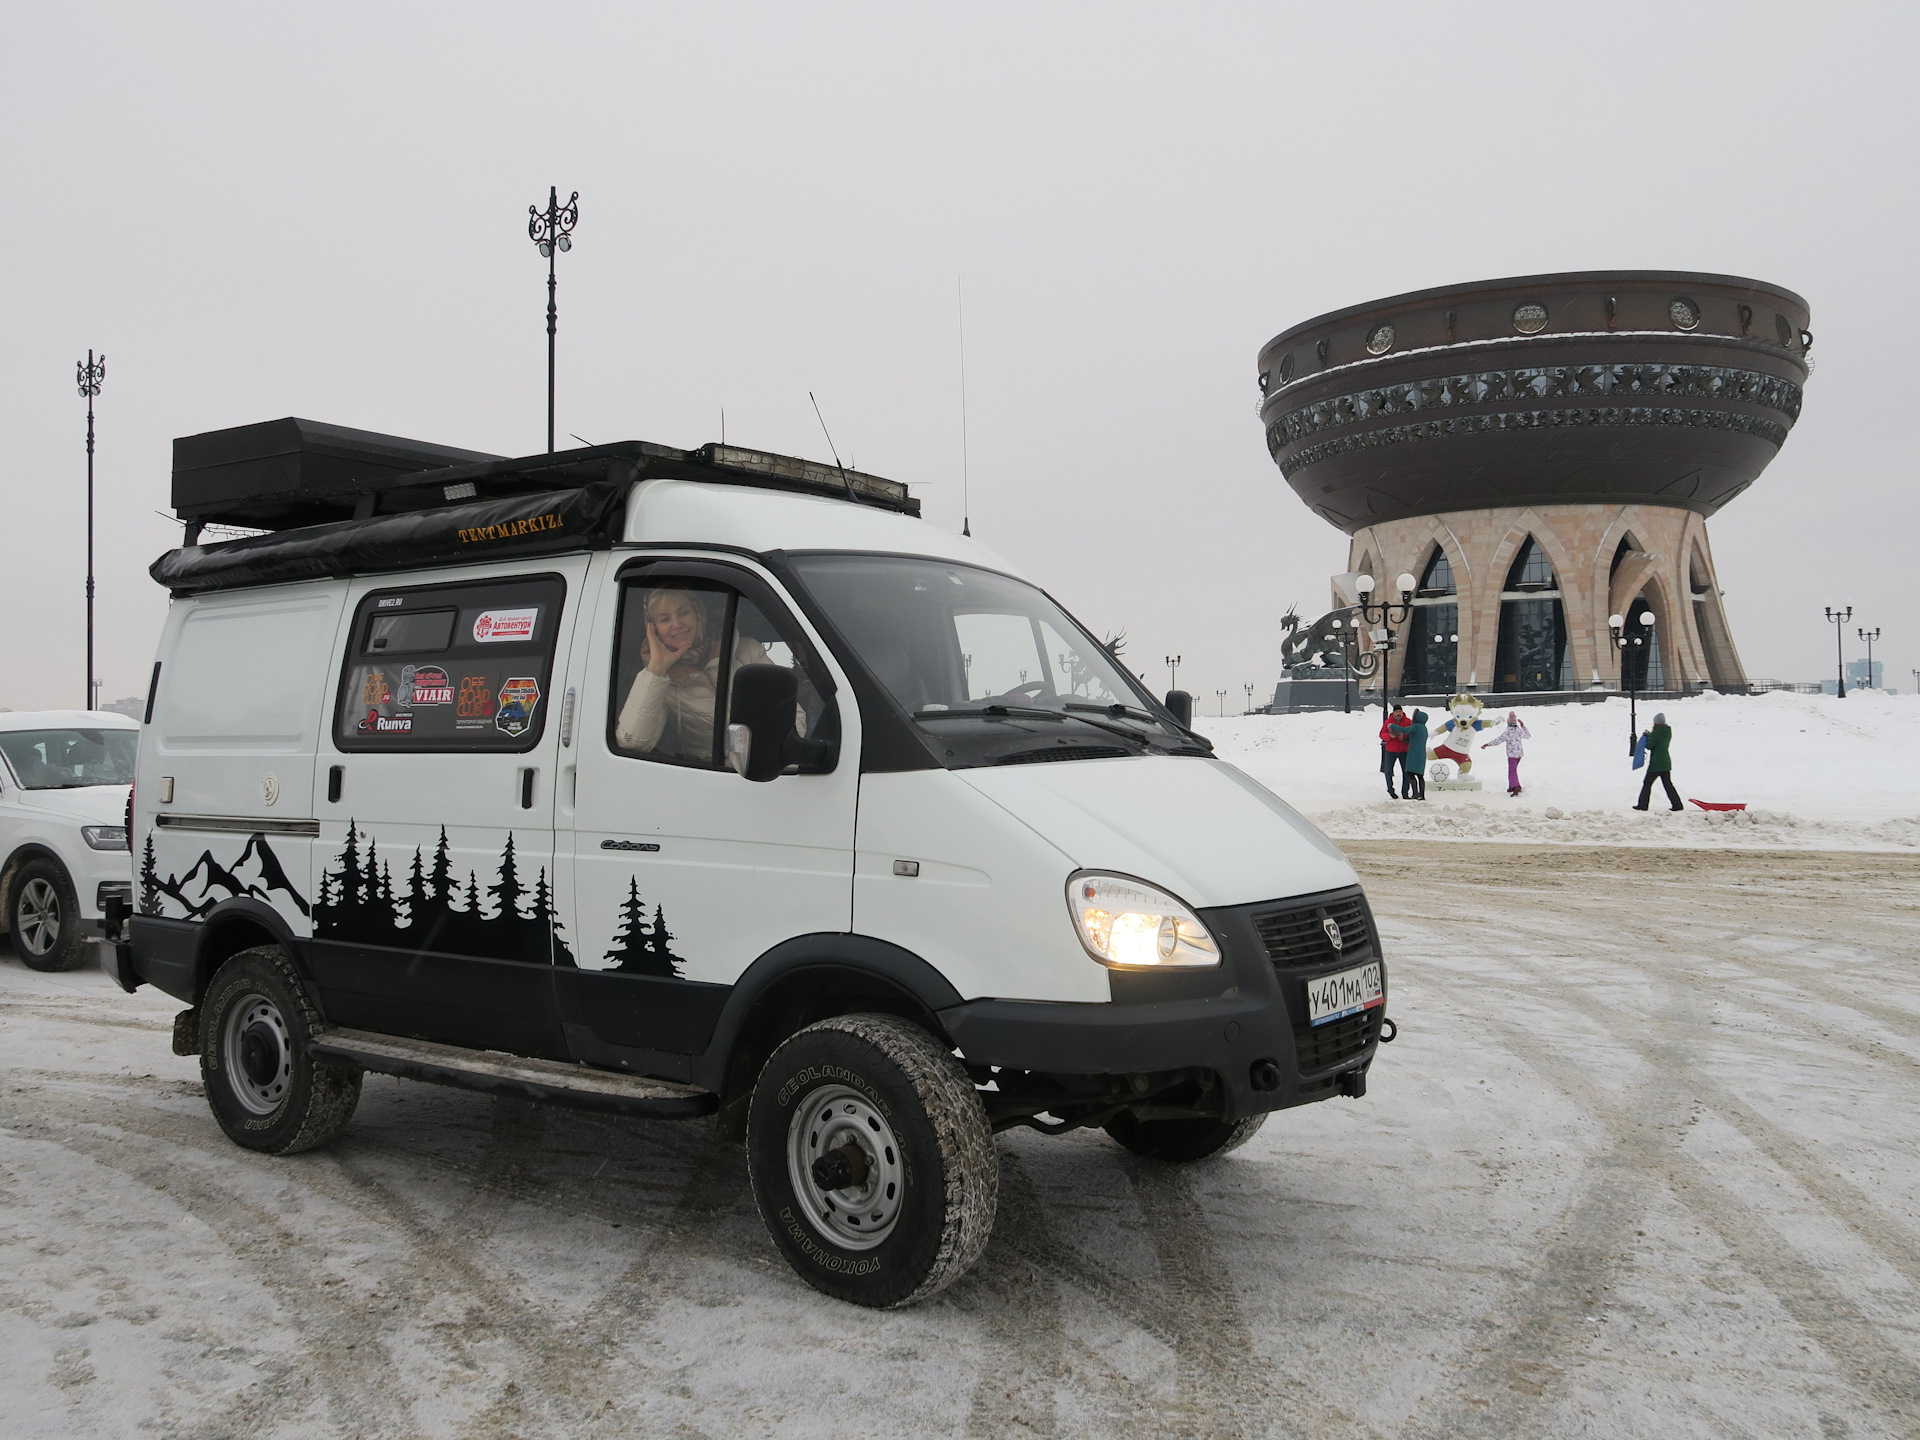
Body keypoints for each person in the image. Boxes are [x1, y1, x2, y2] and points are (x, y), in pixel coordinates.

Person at [615, 586, 772, 758]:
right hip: (712, 778)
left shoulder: (747, 651)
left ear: (698, 614)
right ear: (654, 630)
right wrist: (657, 668)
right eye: (665, 619)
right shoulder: (661, 681)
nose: (677, 624)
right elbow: (632, 741)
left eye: (684, 613)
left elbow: (795, 722)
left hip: (769, 771)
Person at [1634, 711, 1682, 811]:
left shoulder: (1656, 733)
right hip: (1666, 762)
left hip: (1656, 763)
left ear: (1656, 723)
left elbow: (1649, 746)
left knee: (1647, 783)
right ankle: (1677, 805)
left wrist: (1647, 737)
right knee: (1668, 785)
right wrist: (1651, 735)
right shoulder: (1667, 732)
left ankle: (1642, 805)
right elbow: (1659, 739)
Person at [1480, 710, 1532, 797]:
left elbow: (1497, 741)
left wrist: (1487, 744)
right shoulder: (1519, 731)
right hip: (1519, 754)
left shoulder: (1507, 733)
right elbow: (1528, 736)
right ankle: (1511, 786)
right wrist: (1523, 725)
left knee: (1512, 771)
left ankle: (1516, 787)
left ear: (1508, 724)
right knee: (1513, 770)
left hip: (1512, 755)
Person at [1379, 705, 1410, 799]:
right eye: (1397, 712)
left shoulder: (1408, 721)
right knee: (1388, 771)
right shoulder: (1388, 722)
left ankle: (1405, 792)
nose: (1398, 713)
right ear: (1393, 713)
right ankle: (1390, 790)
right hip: (1391, 750)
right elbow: (1381, 734)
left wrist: (1404, 736)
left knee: (1406, 772)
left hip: (1404, 750)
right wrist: (1389, 736)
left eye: (1400, 711)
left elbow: (1412, 733)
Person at [1403, 707, 1430, 800]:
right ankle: (1422, 795)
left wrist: (1392, 726)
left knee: (1410, 772)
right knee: (1420, 775)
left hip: (1414, 753)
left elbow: (1405, 730)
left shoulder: (1416, 726)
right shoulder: (1424, 728)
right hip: (1421, 753)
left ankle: (1415, 793)